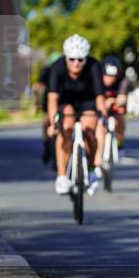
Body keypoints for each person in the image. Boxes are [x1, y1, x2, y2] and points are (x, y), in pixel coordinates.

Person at [46, 35, 106, 195]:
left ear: (86, 59)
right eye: (72, 59)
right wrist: (53, 123)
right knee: (65, 128)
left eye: (80, 59)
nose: (76, 63)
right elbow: (52, 98)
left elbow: (100, 97)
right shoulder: (57, 67)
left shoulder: (94, 66)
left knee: (89, 130)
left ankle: (92, 169)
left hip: (87, 100)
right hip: (66, 101)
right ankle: (61, 176)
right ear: (66, 58)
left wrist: (103, 120)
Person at [34, 51, 63, 164]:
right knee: (47, 123)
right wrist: (37, 102)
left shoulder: (64, 70)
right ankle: (47, 146)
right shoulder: (47, 71)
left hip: (63, 101)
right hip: (49, 102)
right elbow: (38, 86)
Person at [100, 55, 131, 156]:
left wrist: (113, 101)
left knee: (120, 116)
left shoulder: (123, 80)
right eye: (108, 76)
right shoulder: (96, 78)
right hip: (100, 106)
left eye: (114, 76)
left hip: (114, 105)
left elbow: (122, 98)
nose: (111, 79)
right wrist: (104, 103)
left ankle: (119, 142)